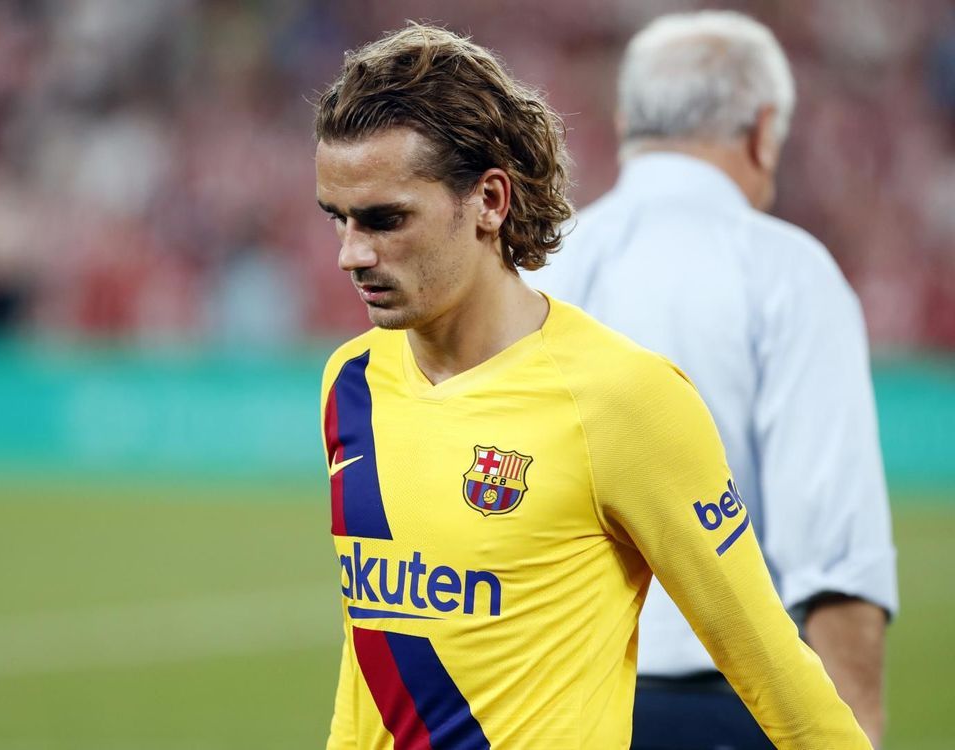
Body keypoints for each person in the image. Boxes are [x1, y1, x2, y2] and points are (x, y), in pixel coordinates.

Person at [314, 23, 872, 750]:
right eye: (339, 219)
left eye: (385, 219)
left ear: (489, 200)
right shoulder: (351, 381)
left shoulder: (623, 399)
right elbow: (370, 672)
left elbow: (771, 665)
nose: (351, 254)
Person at [527, 11, 898, 749]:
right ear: (763, 131)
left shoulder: (539, 265)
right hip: (723, 703)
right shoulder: (788, 271)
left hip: (542, 700)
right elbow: (833, 548)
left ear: (630, 120)